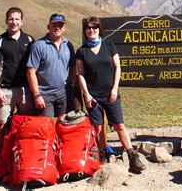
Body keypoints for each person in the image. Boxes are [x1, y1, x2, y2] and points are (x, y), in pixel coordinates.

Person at [75, 16, 146, 173]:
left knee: (119, 125)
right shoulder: (81, 52)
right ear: (85, 31)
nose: (91, 30)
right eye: (88, 28)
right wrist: (86, 95)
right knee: (98, 128)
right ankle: (103, 155)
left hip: (110, 94)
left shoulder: (109, 46)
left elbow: (117, 66)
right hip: (93, 96)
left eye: (94, 27)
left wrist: (115, 88)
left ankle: (132, 156)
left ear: (99, 29)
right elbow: (80, 74)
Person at [0, 7, 35, 157]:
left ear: (22, 21)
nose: (14, 22)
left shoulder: (29, 40)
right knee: (1, 125)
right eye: (11, 19)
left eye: (17, 19)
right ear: (6, 21)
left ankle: (24, 157)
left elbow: (35, 65)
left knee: (26, 123)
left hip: (25, 90)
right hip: (5, 90)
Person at [27, 13, 75, 117]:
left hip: (63, 93)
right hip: (44, 95)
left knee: (65, 125)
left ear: (64, 28)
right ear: (48, 26)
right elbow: (31, 72)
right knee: (46, 128)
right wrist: (36, 95)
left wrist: (70, 84)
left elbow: (72, 66)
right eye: (54, 25)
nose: (57, 28)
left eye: (60, 25)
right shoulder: (38, 46)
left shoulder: (68, 45)